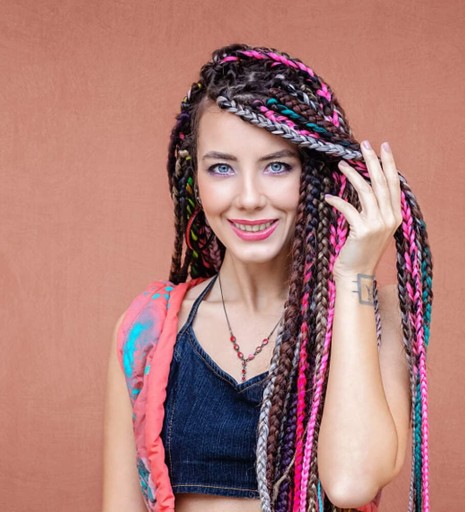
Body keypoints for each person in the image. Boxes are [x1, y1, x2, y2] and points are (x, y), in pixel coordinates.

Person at [103, 44, 433, 512]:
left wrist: (354, 274)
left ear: (318, 173)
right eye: (221, 168)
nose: (249, 198)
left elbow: (351, 483)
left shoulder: (380, 317)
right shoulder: (149, 331)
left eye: (277, 166)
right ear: (195, 179)